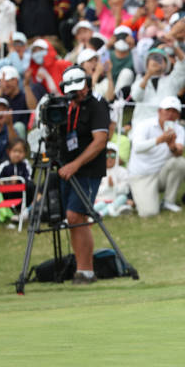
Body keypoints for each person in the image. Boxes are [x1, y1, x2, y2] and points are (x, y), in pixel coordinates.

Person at [57, 66, 110, 285]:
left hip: (87, 168)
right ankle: (83, 268)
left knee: (75, 215)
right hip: (66, 166)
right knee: (73, 218)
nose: (77, 94)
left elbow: (100, 141)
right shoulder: (64, 105)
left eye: (80, 88)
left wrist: (76, 164)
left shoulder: (97, 103)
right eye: (72, 90)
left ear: (87, 84)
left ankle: (85, 270)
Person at [127, 97, 185, 217]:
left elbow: (179, 151)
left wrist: (172, 146)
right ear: (159, 111)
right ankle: (132, 195)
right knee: (149, 213)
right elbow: (137, 147)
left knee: (180, 162)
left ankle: (168, 202)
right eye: (167, 110)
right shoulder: (144, 125)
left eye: (174, 111)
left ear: (178, 115)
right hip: (142, 175)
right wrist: (160, 140)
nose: (170, 114)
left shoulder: (179, 129)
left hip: (161, 173)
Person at [94, 142, 132, 217]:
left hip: (116, 199)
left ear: (116, 157)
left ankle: (103, 212)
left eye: (113, 155)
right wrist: (108, 187)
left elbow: (126, 189)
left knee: (123, 198)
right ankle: (110, 210)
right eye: (107, 155)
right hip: (101, 200)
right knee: (100, 204)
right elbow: (95, 191)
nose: (110, 158)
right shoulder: (97, 172)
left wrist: (114, 186)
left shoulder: (122, 171)